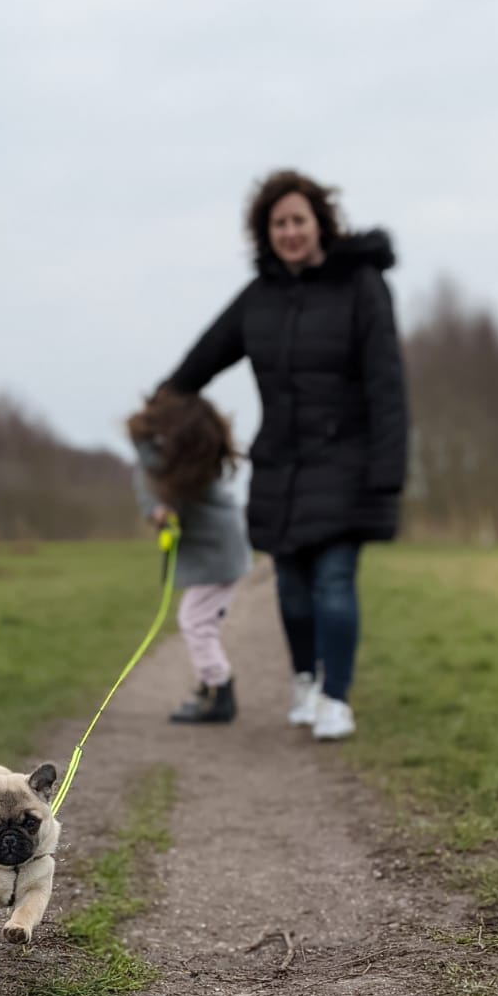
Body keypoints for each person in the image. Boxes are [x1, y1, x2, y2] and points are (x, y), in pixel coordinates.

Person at [159, 169, 409, 740]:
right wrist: (160, 411)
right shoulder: (258, 299)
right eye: (279, 223)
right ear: (265, 232)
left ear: (320, 223)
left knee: (334, 581)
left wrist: (388, 470)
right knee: (292, 590)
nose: (290, 231)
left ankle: (336, 698)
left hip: (348, 461)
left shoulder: (362, 285)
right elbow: (197, 365)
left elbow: (387, 384)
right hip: (280, 468)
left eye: (299, 219)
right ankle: (305, 681)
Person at [127, 388, 251, 724]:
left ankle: (220, 689)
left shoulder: (188, 465)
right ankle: (212, 685)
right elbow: (150, 487)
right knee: (201, 621)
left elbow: (156, 477)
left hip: (219, 556)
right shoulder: (159, 463)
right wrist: (157, 512)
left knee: (195, 621)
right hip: (217, 555)